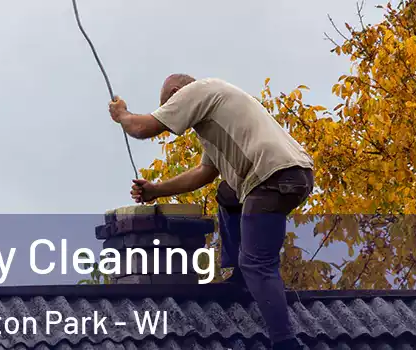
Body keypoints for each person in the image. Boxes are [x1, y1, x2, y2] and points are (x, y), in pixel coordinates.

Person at [107, 74, 314, 350]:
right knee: (227, 193)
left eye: (170, 104)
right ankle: (241, 279)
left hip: (271, 178)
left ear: (177, 92)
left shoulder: (198, 90)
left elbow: (144, 127)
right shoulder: (216, 113)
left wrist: (122, 114)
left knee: (258, 263)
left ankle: (285, 342)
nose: (172, 112)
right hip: (293, 174)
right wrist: (156, 189)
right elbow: (205, 172)